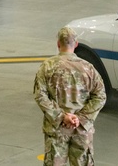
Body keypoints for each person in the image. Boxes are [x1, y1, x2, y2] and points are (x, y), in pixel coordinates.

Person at [33, 27, 107, 166]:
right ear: (76, 44)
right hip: (81, 130)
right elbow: (100, 96)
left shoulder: (47, 66)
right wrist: (81, 118)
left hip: (57, 130)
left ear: (58, 44)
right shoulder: (89, 68)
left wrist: (62, 116)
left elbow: (40, 95)